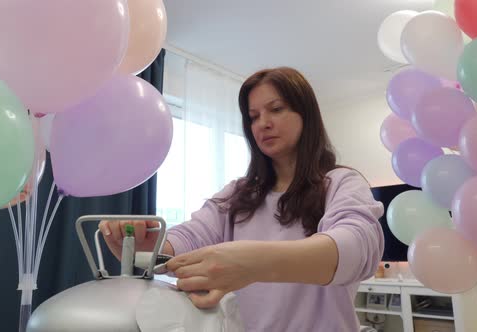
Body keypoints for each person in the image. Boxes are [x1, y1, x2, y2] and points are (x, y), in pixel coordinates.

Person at [99, 67, 384, 331]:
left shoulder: (341, 183)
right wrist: (151, 245)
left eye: (276, 109)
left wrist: (256, 263)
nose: (263, 123)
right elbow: (189, 238)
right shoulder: (238, 194)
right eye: (254, 116)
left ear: (305, 115)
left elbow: (356, 248)